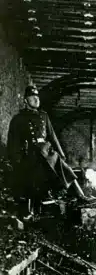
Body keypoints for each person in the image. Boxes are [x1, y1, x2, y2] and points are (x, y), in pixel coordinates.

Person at [6, 85, 90, 213]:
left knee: (65, 169)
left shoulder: (44, 116)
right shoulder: (18, 119)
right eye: (32, 97)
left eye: (37, 97)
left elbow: (52, 136)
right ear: (25, 101)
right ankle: (31, 210)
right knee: (32, 180)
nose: (36, 100)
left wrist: (61, 153)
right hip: (30, 153)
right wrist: (15, 159)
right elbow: (13, 141)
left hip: (47, 151)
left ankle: (81, 196)